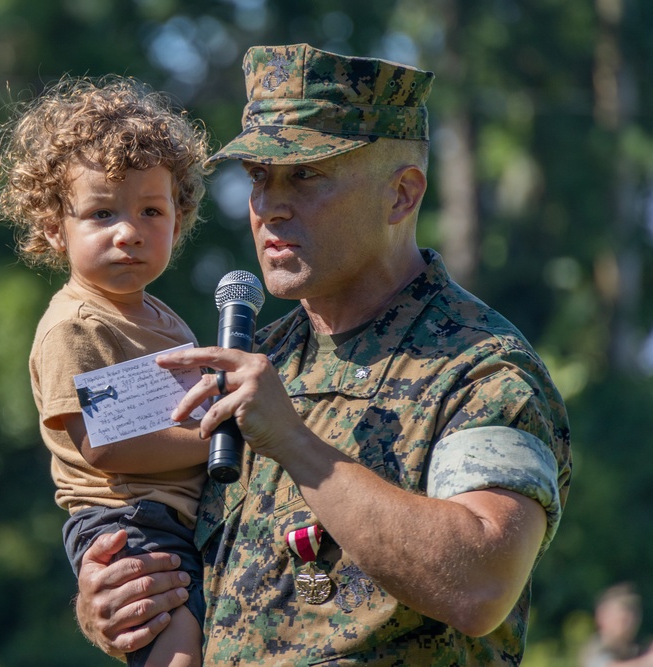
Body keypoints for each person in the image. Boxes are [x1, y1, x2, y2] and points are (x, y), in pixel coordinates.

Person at [72, 44, 573, 665]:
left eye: (306, 175)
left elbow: (480, 586)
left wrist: (295, 443)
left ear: (402, 195)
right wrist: (118, 603)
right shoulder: (254, 359)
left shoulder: (482, 372)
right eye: (259, 177)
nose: (269, 206)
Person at [0, 74, 212, 667]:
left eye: (151, 210)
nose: (128, 231)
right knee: (178, 644)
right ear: (55, 227)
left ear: (178, 223)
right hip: (129, 521)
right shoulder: (75, 327)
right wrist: (220, 437)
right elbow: (108, 446)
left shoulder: (164, 317)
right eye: (101, 212)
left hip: (176, 515)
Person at [580, 583, 653, 667]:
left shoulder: (638, 648)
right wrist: (647, 662)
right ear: (602, 615)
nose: (630, 622)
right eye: (623, 619)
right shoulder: (596, 649)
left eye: (634, 615)